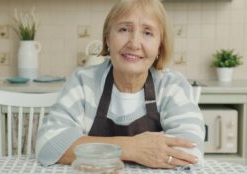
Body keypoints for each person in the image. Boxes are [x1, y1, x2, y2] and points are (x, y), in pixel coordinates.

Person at [36, 0, 205, 169]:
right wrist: (132, 148)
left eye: (147, 32)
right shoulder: (83, 82)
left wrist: (91, 148)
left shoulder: (172, 86)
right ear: (108, 38)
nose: (133, 43)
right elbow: (49, 144)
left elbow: (190, 152)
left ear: (160, 46)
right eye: (124, 29)